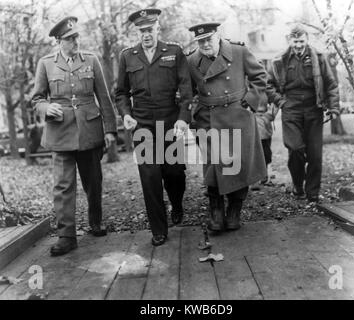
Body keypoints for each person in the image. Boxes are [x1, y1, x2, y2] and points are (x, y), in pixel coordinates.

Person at [32, 17, 117, 256]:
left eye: (77, 37)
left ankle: (96, 222)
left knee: (93, 181)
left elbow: (104, 96)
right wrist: (46, 108)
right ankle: (66, 235)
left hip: (89, 131)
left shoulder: (91, 59)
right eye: (70, 39)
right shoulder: (46, 64)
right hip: (60, 133)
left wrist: (110, 129)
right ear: (59, 41)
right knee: (62, 186)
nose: (76, 41)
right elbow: (37, 99)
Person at [115, 9, 193, 246]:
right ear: (137, 32)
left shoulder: (174, 52)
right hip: (142, 124)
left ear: (158, 28)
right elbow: (121, 93)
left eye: (150, 29)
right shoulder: (128, 56)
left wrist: (183, 117)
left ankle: (177, 204)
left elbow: (186, 88)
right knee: (149, 176)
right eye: (141, 30)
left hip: (170, 122)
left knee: (174, 172)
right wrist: (126, 114)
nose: (146, 34)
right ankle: (159, 229)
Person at [187, 22, 267, 232]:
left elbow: (260, 77)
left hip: (238, 115)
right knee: (213, 166)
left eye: (208, 39)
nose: (205, 44)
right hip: (208, 119)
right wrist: (191, 109)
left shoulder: (239, 52)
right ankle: (216, 211)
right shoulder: (192, 61)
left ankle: (234, 209)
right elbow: (186, 90)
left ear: (218, 36)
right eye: (200, 41)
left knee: (239, 164)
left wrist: (250, 101)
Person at [267, 25, 339, 203]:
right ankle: (298, 184)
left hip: (313, 108)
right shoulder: (279, 61)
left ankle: (312, 192)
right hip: (291, 109)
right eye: (295, 41)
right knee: (295, 149)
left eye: (301, 41)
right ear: (289, 41)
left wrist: (334, 108)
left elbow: (331, 84)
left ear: (307, 40)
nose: (298, 45)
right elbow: (268, 85)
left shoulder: (319, 58)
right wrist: (281, 102)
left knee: (315, 154)